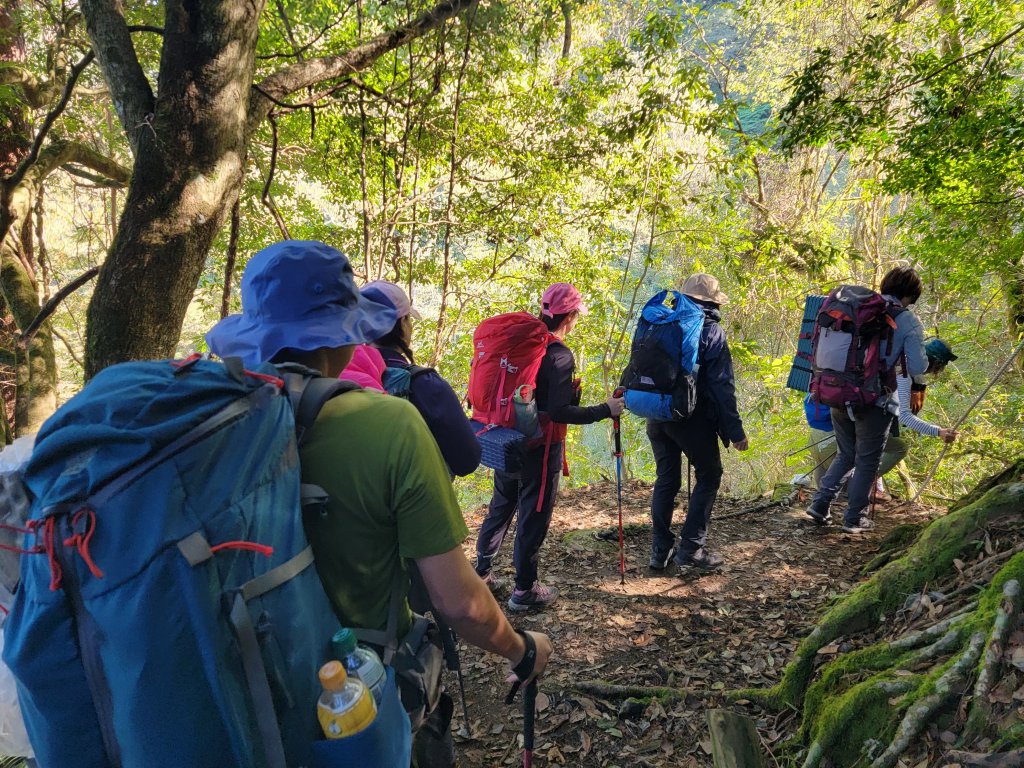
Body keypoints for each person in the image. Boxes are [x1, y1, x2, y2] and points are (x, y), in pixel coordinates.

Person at [206, 241, 552, 766]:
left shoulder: (214, 423)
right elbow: (460, 605)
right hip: (355, 697)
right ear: (342, 334)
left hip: (240, 690)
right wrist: (522, 649)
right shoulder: (386, 423)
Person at [474, 283, 625, 611]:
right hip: (540, 448)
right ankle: (524, 591)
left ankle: (481, 573)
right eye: (575, 316)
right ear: (569, 316)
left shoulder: (521, 343)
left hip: (504, 438)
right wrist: (606, 410)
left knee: (502, 504)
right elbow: (559, 412)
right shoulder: (557, 354)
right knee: (534, 514)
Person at [805, 266, 929, 533]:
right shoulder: (905, 319)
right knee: (867, 460)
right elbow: (918, 365)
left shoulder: (859, 308)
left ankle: (820, 504)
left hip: (835, 391)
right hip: (875, 400)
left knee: (846, 453)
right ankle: (854, 518)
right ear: (911, 295)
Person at [646, 273, 749, 572]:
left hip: (657, 413)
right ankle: (692, 548)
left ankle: (660, 550)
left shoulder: (662, 321)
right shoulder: (711, 331)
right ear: (712, 303)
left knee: (667, 479)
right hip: (690, 419)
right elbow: (722, 387)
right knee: (709, 474)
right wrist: (735, 430)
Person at [360, 280, 481, 478]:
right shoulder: (425, 385)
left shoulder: (340, 376)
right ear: (402, 324)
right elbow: (467, 460)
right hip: (413, 502)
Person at [874, 338, 960, 477]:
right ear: (934, 363)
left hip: (867, 416)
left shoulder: (903, 365)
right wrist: (939, 431)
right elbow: (905, 415)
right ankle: (861, 485)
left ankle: (872, 489)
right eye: (938, 367)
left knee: (878, 450)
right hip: (869, 419)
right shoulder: (904, 373)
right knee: (899, 448)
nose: (934, 372)